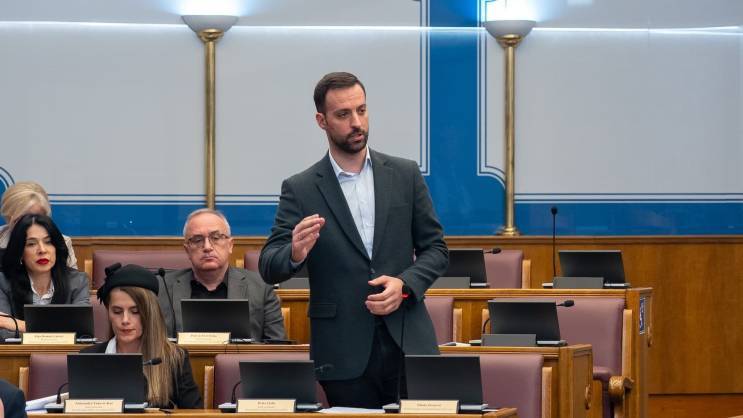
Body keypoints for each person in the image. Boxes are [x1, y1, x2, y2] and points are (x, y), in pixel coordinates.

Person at [260, 72, 449, 408]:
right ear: (322, 121)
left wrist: (405, 284)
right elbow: (269, 265)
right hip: (342, 350)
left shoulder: (405, 174)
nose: (356, 123)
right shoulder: (301, 188)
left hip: (408, 340)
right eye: (343, 114)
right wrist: (295, 252)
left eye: (361, 110)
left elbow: (436, 250)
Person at [83, 264, 202, 409]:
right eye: (117, 311)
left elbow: (195, 413)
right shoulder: (88, 358)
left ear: (150, 313)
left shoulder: (175, 359)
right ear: (108, 312)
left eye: (135, 311)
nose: (125, 320)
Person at [157, 208, 285, 341]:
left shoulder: (261, 288)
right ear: (187, 250)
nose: (207, 247)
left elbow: (277, 345)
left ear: (230, 245)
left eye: (216, 238)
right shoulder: (162, 288)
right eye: (197, 240)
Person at [0, 214, 90, 340]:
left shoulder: (77, 281)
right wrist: (60, 330)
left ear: (56, 247)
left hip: (64, 353)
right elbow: (5, 335)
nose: (42, 250)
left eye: (48, 242)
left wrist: (19, 325)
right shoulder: (3, 282)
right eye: (31, 244)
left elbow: (81, 331)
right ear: (20, 252)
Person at [0, 181, 77, 269]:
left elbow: (72, 277)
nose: (30, 222)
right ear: (9, 217)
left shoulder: (62, 242)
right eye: (23, 218)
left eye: (37, 217)